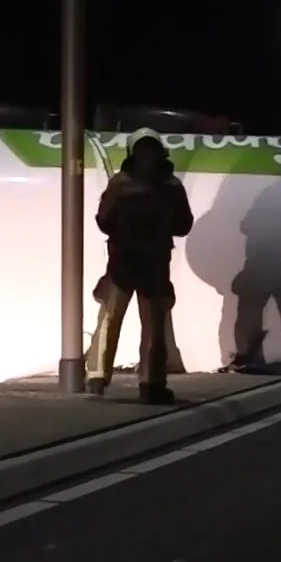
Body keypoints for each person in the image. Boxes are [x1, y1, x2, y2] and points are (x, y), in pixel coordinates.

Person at [86, 128, 194, 405]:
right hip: (156, 262)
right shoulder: (171, 185)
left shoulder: (119, 183)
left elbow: (103, 220)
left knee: (110, 319)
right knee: (153, 327)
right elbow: (184, 225)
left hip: (122, 259)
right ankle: (151, 384)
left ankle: (97, 377)